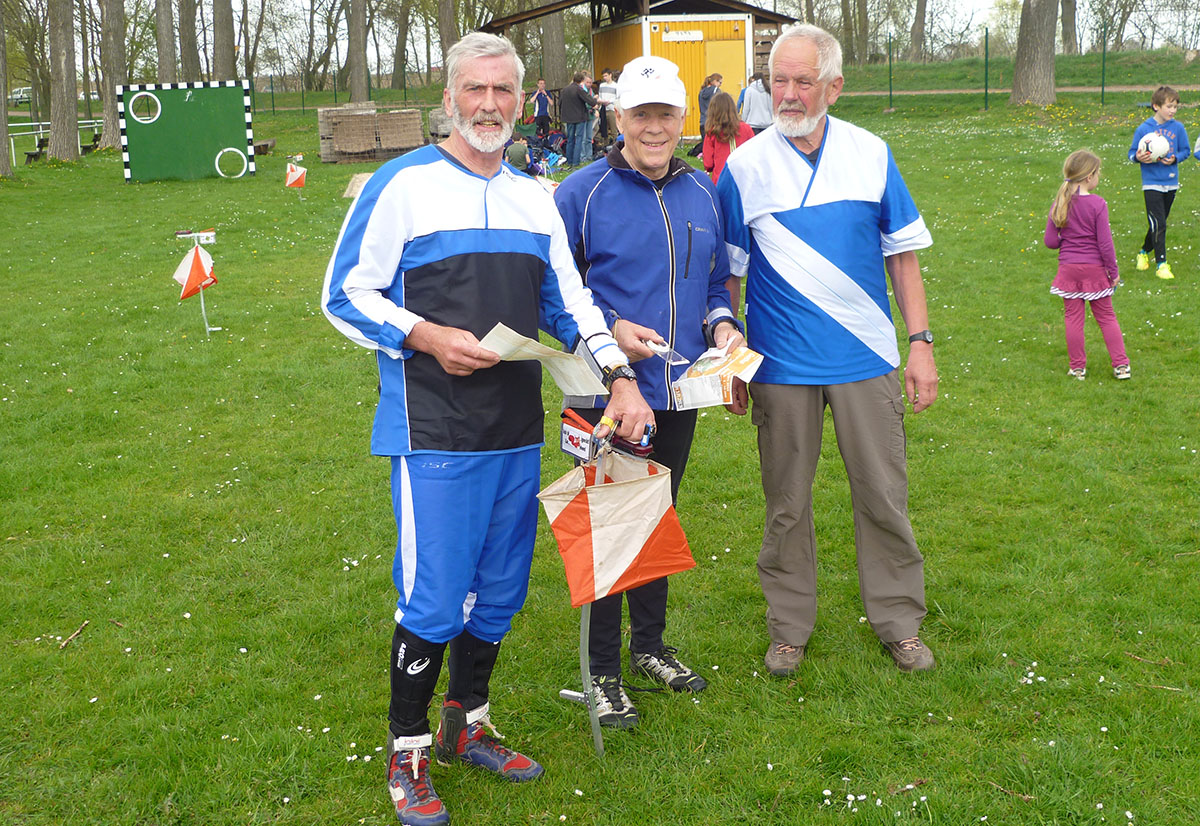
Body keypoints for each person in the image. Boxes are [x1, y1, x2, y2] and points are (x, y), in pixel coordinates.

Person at [322, 32, 654, 826]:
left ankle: (464, 724)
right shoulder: (402, 186)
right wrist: (424, 335)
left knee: (498, 596)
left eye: (504, 91)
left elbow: (570, 307)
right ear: (449, 98)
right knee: (435, 600)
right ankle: (405, 756)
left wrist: (617, 374)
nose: (491, 105)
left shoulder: (534, 195)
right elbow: (345, 294)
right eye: (475, 90)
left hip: (514, 427)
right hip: (431, 427)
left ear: (519, 97)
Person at [716, 24, 939, 677]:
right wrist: (734, 365)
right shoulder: (745, 165)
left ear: (834, 87)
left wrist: (919, 344)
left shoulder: (871, 152)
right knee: (786, 502)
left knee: (882, 495)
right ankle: (789, 625)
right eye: (776, 80)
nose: (786, 93)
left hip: (867, 358)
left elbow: (903, 258)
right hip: (782, 366)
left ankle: (898, 619)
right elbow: (727, 276)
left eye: (801, 81)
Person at [554, 55, 743, 729]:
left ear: (682, 119)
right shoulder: (581, 193)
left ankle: (649, 648)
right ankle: (601, 671)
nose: (655, 127)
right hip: (603, 389)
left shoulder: (703, 193)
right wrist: (609, 330)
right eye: (641, 115)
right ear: (618, 118)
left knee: (655, 515)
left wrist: (722, 327)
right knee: (609, 524)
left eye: (666, 114)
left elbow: (714, 284)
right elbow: (554, 295)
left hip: (678, 392)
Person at [1044, 150, 1130, 381]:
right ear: (1089, 176)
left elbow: (1050, 242)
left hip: (1068, 269)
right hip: (1094, 270)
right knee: (1106, 317)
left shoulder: (1059, 202)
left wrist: (1067, 239)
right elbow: (1105, 243)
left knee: (1073, 318)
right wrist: (1113, 272)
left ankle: (1077, 368)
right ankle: (1121, 366)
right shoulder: (1098, 204)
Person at [1129, 85, 1189, 280]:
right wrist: (1139, 157)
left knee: (1157, 223)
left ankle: (1143, 252)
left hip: (1170, 182)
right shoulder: (1144, 129)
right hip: (1152, 182)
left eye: (1175, 107)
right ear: (1156, 106)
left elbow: (1185, 150)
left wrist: (1175, 158)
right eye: (1169, 106)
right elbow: (1131, 154)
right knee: (1159, 223)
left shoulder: (1178, 128)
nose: (1172, 110)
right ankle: (1161, 264)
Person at [702, 90, 754, 185]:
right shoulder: (746, 129)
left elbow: (708, 164)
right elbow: (754, 155)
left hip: (721, 181)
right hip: (744, 181)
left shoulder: (712, 132)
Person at [560, 71, 597, 167]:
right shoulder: (579, 90)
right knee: (579, 139)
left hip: (568, 118)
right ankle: (576, 162)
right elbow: (591, 101)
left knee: (570, 139)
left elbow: (560, 103)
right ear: (581, 80)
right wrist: (596, 99)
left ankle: (569, 160)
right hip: (579, 118)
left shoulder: (565, 90)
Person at [597, 68, 618, 141]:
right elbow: (600, 96)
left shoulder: (615, 86)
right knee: (604, 129)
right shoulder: (602, 85)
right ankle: (605, 144)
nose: (604, 78)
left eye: (606, 76)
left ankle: (616, 143)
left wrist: (610, 101)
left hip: (611, 109)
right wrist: (601, 101)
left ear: (610, 75)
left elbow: (617, 97)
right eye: (603, 76)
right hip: (603, 109)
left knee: (613, 129)